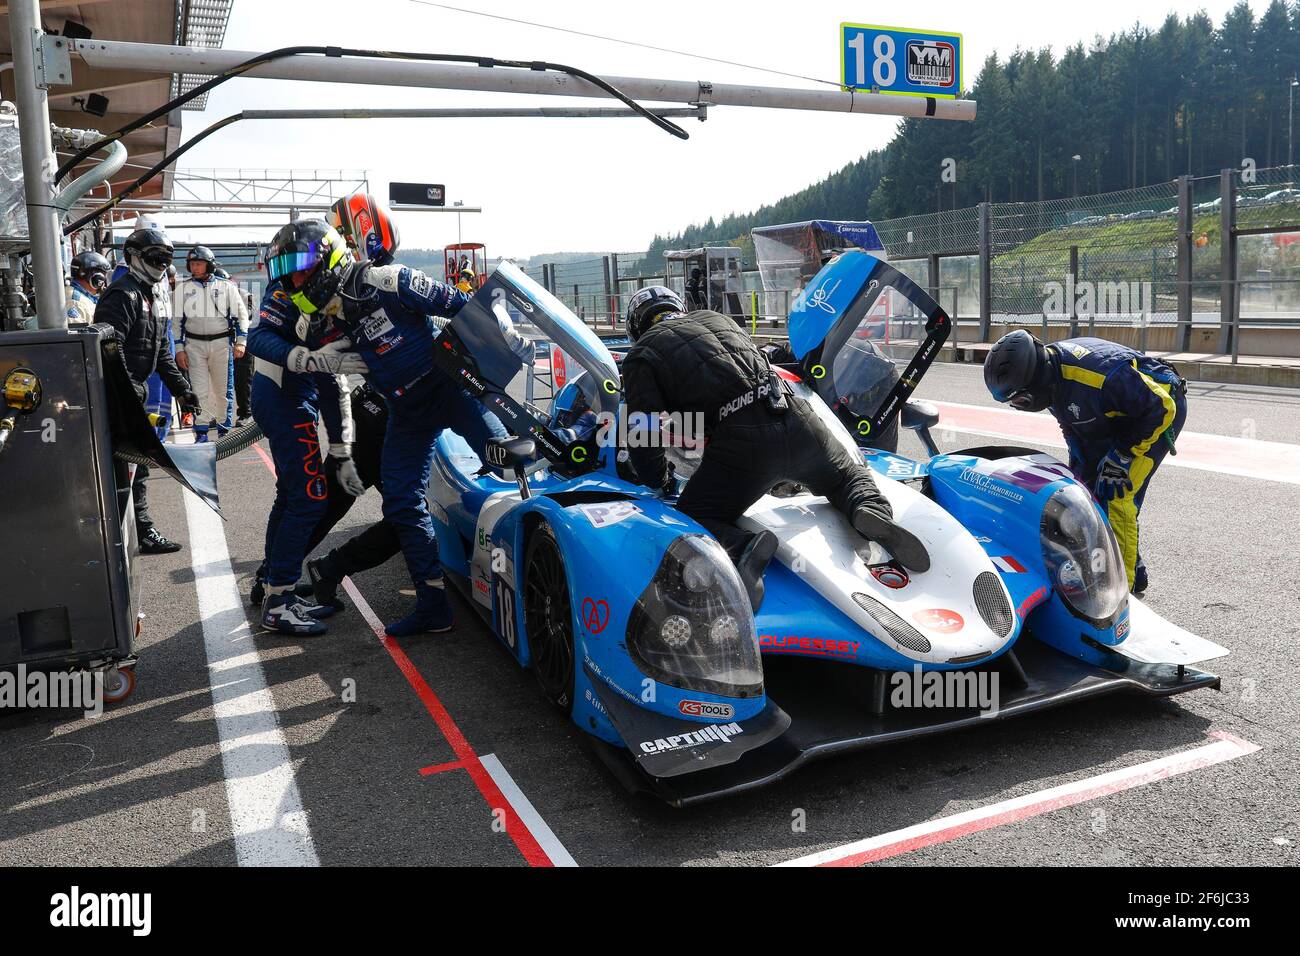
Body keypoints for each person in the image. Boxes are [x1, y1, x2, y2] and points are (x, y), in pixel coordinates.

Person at [282, 208, 521, 637]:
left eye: (300, 273)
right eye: (288, 276)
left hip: (450, 389)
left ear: (327, 259)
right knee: (400, 502)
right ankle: (433, 606)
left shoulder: (388, 280)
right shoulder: (320, 320)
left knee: (509, 462)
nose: (293, 283)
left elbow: (466, 306)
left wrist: (504, 342)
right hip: (405, 413)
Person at [620, 286, 929, 610]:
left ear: (637, 328)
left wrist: (658, 480)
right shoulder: (717, 319)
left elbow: (644, 432)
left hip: (742, 443)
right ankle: (869, 511)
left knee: (690, 521)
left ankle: (742, 549)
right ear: (679, 308)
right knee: (849, 476)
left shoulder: (642, 354)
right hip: (797, 418)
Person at [984, 330, 1187, 594]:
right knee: (1083, 492)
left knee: (1115, 494)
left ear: (1035, 384)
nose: (1018, 407)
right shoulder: (1048, 375)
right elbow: (1070, 419)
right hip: (1116, 412)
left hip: (1154, 413)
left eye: (1020, 401)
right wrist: (1079, 468)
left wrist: (1122, 456)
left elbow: (1161, 406)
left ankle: (1121, 591)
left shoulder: (1100, 376)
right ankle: (1127, 568)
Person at [94, 227, 200, 555]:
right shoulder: (122, 295)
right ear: (135, 257)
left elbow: (161, 353)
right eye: (157, 258)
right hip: (116, 398)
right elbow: (110, 349)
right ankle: (116, 538)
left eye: (167, 260)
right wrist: (130, 389)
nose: (162, 265)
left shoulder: (149, 296)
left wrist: (182, 390)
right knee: (122, 469)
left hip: (131, 395)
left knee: (136, 468)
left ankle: (135, 533)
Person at [305, 382, 401, 612]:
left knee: (324, 506)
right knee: (407, 518)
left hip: (370, 409)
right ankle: (325, 568)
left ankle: (272, 576)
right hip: (384, 420)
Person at [175, 245, 249, 443]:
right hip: (194, 345)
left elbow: (242, 316)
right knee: (199, 390)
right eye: (192, 264)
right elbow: (176, 322)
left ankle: (224, 429)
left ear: (209, 265)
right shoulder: (182, 289)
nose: (195, 268)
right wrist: (179, 349)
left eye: (199, 264)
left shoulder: (227, 287)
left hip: (221, 344)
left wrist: (241, 341)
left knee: (222, 389)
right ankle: (201, 431)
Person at [65, 250, 110, 325]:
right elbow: (76, 335)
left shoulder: (85, 298)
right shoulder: (76, 302)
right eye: (104, 275)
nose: (104, 281)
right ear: (96, 277)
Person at [234, 289, 255, 426]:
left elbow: (247, 317)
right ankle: (223, 414)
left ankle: (246, 413)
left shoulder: (244, 296)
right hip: (224, 343)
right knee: (226, 382)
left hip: (243, 342)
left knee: (243, 379)